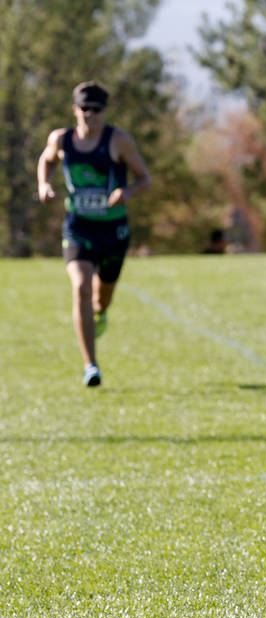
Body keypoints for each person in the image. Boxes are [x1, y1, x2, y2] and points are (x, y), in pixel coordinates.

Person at [37, 80, 152, 387]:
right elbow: (46, 160)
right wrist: (44, 185)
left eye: (96, 110)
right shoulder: (62, 140)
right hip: (78, 227)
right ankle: (91, 365)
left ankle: (100, 313)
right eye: (85, 109)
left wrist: (126, 191)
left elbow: (145, 178)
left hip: (113, 231)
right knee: (81, 288)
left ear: (104, 112)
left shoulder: (118, 141)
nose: (90, 115)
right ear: (75, 110)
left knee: (102, 298)